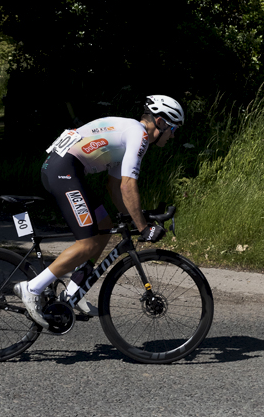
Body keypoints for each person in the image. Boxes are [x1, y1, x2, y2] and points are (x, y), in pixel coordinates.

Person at [14, 94, 185, 329]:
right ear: (161, 122)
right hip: (64, 171)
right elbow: (127, 185)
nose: (174, 135)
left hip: (66, 170)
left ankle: (73, 292)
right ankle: (32, 288)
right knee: (87, 243)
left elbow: (114, 187)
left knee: (104, 227)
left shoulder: (130, 133)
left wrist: (138, 219)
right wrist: (144, 228)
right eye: (174, 128)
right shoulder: (139, 135)